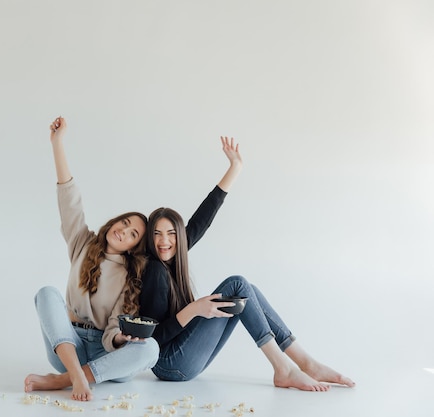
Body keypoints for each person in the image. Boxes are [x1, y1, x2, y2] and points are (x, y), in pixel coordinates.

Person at [139, 136, 355, 391]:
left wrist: (235, 168)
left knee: (246, 289)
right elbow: (152, 339)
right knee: (238, 285)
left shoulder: (175, 258)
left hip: (182, 361)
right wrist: (195, 309)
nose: (164, 241)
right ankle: (286, 368)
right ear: (150, 238)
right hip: (168, 363)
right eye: (157, 234)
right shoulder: (154, 270)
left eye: (172, 234)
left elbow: (203, 217)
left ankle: (305, 363)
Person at [24, 116, 159, 401]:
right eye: (124, 223)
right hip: (67, 345)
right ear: (114, 222)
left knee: (150, 349)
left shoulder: (129, 276)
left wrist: (122, 337)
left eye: (133, 233)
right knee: (46, 293)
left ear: (135, 246)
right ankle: (73, 373)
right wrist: (57, 143)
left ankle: (64, 380)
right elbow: (69, 198)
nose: (124, 231)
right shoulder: (82, 242)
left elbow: (113, 329)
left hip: (103, 353)